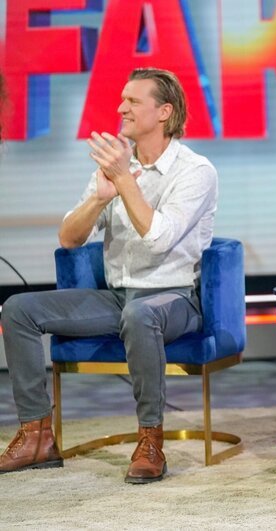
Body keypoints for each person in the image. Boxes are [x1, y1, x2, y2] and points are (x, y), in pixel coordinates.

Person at [0, 67, 218, 484]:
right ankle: (37, 434)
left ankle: (150, 439)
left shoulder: (195, 171)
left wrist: (123, 181)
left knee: (140, 316)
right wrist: (99, 200)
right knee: (18, 309)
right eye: (122, 99)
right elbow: (68, 237)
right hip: (117, 296)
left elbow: (158, 240)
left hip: (173, 299)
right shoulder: (117, 165)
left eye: (133, 101)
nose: (121, 108)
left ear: (165, 112)